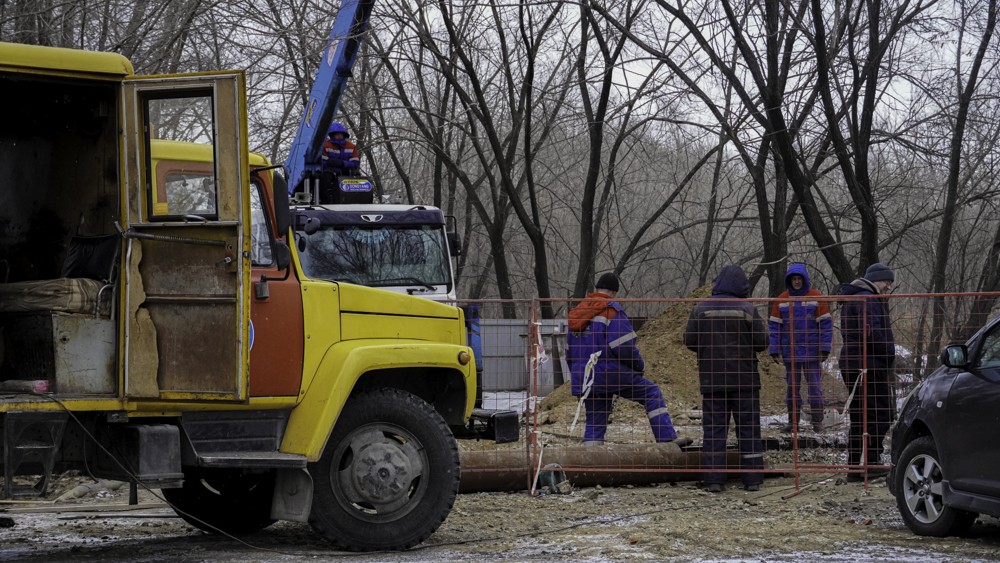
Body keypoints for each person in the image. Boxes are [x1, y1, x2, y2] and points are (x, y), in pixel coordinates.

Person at [566, 272, 689, 447]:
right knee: (651, 393)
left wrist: (579, 378)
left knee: (595, 417)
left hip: (587, 377)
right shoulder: (611, 311)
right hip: (611, 374)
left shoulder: (577, 313)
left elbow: (569, 353)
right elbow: (624, 348)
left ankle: (591, 457)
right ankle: (667, 440)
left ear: (597, 289)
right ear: (613, 292)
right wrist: (639, 366)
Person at [684, 264, 768, 492]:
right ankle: (752, 479)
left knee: (714, 430)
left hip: (712, 380)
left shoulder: (700, 309)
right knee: (749, 429)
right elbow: (762, 342)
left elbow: (690, 340)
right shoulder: (748, 309)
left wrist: (708, 350)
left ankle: (714, 479)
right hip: (745, 380)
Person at [838, 262, 896, 482]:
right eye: (886, 282)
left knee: (860, 415)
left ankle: (856, 465)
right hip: (867, 365)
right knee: (880, 414)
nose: (888, 287)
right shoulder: (867, 299)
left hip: (856, 363)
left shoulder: (855, 298)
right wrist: (888, 353)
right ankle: (870, 462)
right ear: (875, 280)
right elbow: (871, 333)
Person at [768, 263, 833, 433]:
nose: (796, 282)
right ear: (789, 281)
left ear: (804, 279)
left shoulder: (816, 297)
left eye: (799, 278)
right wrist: (774, 349)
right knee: (792, 388)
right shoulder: (781, 299)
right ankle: (793, 422)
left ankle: (817, 422)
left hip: (812, 351)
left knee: (815, 387)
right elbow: (774, 327)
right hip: (790, 352)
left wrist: (825, 348)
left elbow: (826, 325)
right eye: (794, 279)